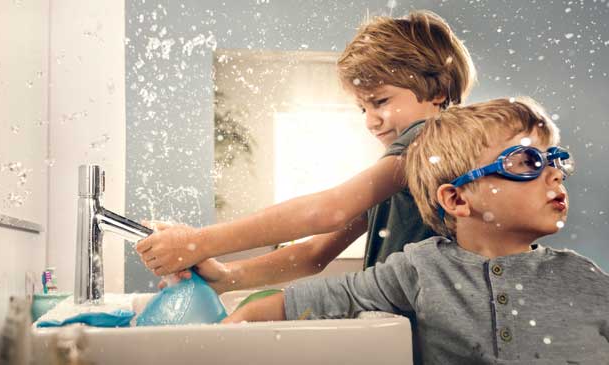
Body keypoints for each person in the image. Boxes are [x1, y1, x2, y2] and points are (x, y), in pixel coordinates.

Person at [222, 97, 609, 364]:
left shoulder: (586, 279)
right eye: (528, 161)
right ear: (457, 200)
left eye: (557, 159)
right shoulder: (420, 269)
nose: (555, 172)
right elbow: (316, 300)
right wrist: (226, 331)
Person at [136, 10, 477, 293]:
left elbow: (328, 211)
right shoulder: (406, 168)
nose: (371, 121)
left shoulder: (429, 138)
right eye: (362, 109)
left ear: (438, 90)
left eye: (381, 101)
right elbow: (315, 252)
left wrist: (198, 241)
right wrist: (226, 278)